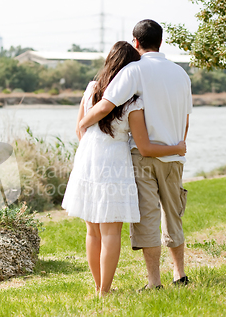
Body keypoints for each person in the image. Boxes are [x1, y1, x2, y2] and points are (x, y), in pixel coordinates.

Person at [61, 41, 186, 297]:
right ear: (130, 69)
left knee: (92, 230)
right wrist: (177, 147)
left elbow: (79, 129)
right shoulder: (132, 102)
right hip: (114, 160)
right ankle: (104, 291)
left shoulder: (91, 90)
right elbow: (144, 145)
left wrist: (90, 148)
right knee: (110, 231)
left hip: (87, 156)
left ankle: (98, 286)